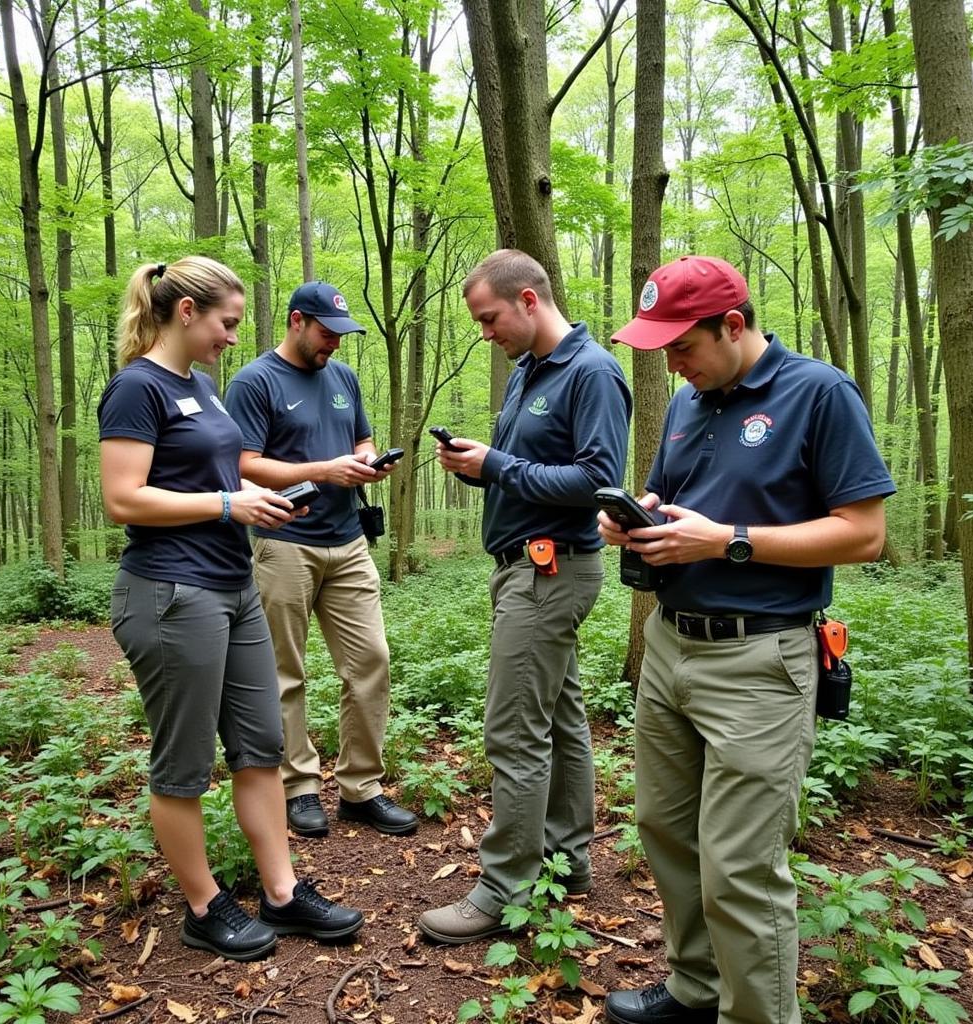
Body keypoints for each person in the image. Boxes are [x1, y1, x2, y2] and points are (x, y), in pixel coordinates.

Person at [601, 255, 895, 1024]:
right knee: (665, 832)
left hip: (760, 658)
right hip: (671, 646)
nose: (673, 362)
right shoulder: (690, 400)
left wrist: (727, 542)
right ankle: (698, 988)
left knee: (740, 865)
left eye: (683, 345)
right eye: (661, 348)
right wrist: (640, 517)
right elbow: (681, 502)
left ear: (734, 325)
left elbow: (864, 534)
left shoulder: (819, 394)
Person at [98, 257, 364, 963]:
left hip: (233, 585)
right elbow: (124, 498)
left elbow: (225, 470)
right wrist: (225, 503)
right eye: (226, 323)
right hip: (169, 592)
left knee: (261, 748)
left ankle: (281, 893)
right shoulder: (136, 388)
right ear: (186, 313)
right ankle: (203, 904)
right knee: (183, 764)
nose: (230, 337)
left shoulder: (205, 386)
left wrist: (260, 501)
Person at [417, 249, 632, 943]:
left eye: (490, 318)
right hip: (523, 567)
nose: (486, 333)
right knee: (560, 718)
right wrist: (483, 467)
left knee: (513, 730)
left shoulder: (592, 373)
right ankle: (568, 861)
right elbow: (532, 470)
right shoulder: (528, 374)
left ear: (530, 301)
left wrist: (500, 464)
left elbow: (598, 478)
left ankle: (502, 885)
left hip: (550, 571)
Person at [224, 281, 418, 839]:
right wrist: (321, 471)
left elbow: (361, 438)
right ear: (295, 322)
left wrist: (364, 460)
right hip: (284, 540)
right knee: (286, 670)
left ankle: (361, 786)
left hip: (347, 541)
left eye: (341, 334)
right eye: (327, 333)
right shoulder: (255, 381)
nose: (335, 343)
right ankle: (298, 786)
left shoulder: (343, 378)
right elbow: (244, 464)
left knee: (370, 661)